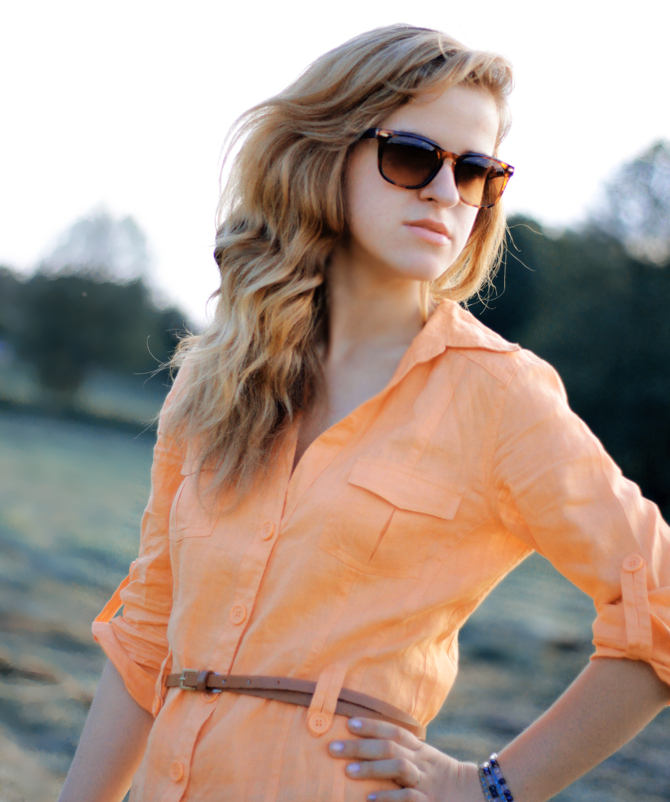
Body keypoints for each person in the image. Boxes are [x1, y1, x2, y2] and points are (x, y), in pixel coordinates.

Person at [58, 24, 670, 802]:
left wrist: (485, 787)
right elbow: (149, 633)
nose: (445, 193)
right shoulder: (213, 380)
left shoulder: (500, 397)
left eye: (476, 172)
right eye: (412, 157)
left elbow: (660, 606)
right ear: (325, 156)